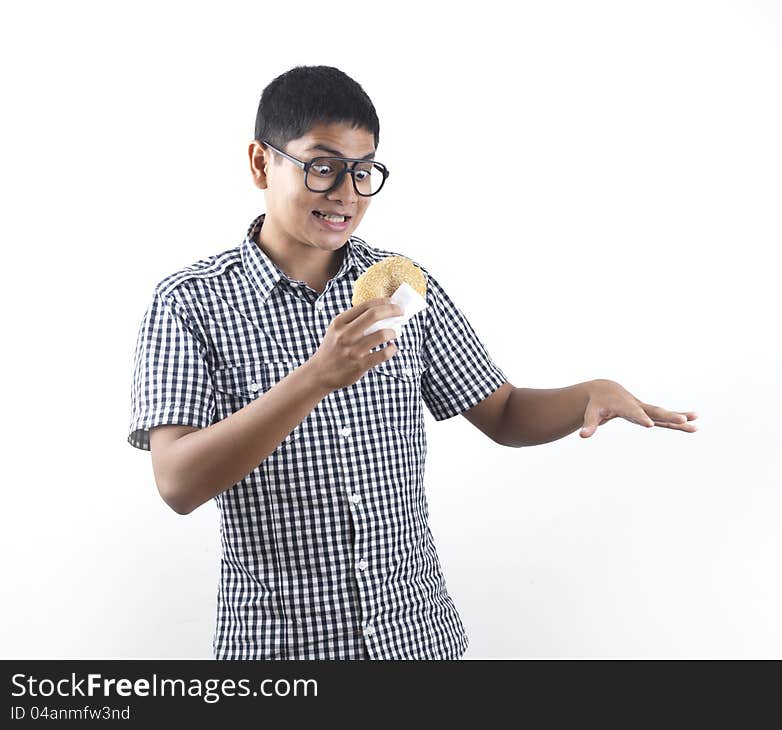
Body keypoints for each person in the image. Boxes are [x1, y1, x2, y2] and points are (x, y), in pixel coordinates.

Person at [128, 65, 698, 661]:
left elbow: (501, 412)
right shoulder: (189, 303)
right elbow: (178, 482)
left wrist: (589, 393)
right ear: (259, 163)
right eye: (321, 167)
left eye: (363, 170)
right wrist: (317, 377)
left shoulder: (404, 290)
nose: (346, 193)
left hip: (418, 642)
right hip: (282, 652)